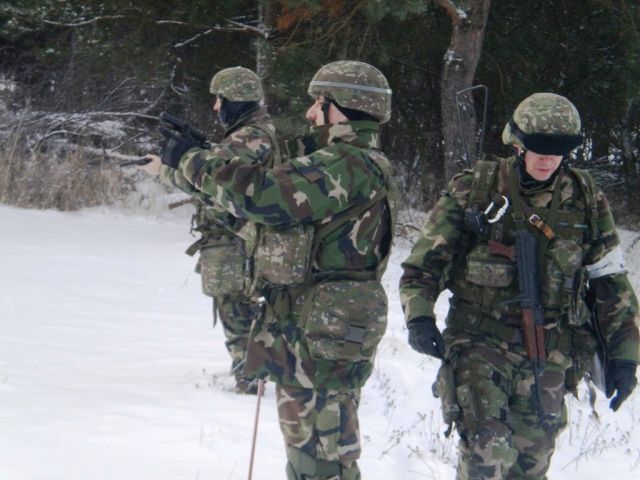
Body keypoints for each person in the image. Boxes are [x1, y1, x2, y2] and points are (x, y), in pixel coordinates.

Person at [157, 60, 397, 480]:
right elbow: (263, 223)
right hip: (314, 329)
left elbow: (262, 195)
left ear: (342, 106)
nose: (310, 113)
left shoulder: (349, 163)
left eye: (318, 102)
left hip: (323, 336)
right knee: (312, 455)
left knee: (320, 460)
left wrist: (192, 160)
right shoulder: (340, 161)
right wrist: (202, 167)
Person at [399, 92, 639, 479]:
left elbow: (610, 281)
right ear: (518, 142)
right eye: (539, 147)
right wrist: (419, 318)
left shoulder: (586, 199)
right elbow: (423, 267)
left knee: (531, 466)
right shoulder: (476, 188)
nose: (547, 158)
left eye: (558, 150)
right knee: (487, 454)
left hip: (550, 352)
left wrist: (624, 356)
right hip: (479, 343)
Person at [140, 66, 281, 394]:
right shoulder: (251, 133)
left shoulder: (249, 136)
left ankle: (250, 378)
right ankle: (250, 372)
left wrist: (170, 167)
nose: (216, 107)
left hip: (236, 240)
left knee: (236, 309)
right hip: (235, 238)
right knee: (236, 307)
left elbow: (212, 182)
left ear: (236, 100)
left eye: (220, 100)